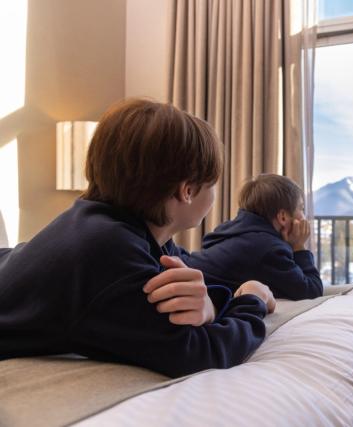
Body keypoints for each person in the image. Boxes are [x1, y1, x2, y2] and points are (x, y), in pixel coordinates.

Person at [0, 99, 275, 378]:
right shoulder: (109, 250)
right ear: (188, 191)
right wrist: (253, 300)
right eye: (212, 184)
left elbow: (194, 277)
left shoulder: (109, 225)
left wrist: (212, 306)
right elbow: (201, 352)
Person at [185, 174, 323, 300]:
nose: (304, 217)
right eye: (301, 209)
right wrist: (299, 247)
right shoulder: (269, 250)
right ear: (283, 217)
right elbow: (312, 291)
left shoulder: (232, 231)